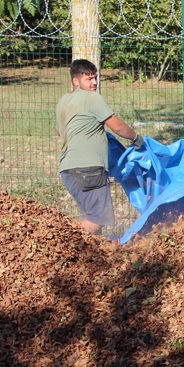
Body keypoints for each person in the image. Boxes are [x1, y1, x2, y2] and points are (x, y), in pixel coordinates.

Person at [56, 59, 144, 235]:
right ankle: (67, 247)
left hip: (68, 170)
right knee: (97, 218)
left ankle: (92, 258)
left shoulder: (63, 101)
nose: (95, 82)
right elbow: (117, 127)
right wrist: (136, 138)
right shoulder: (92, 98)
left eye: (95, 78)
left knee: (90, 216)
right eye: (89, 79)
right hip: (88, 169)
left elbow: (60, 132)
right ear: (76, 81)